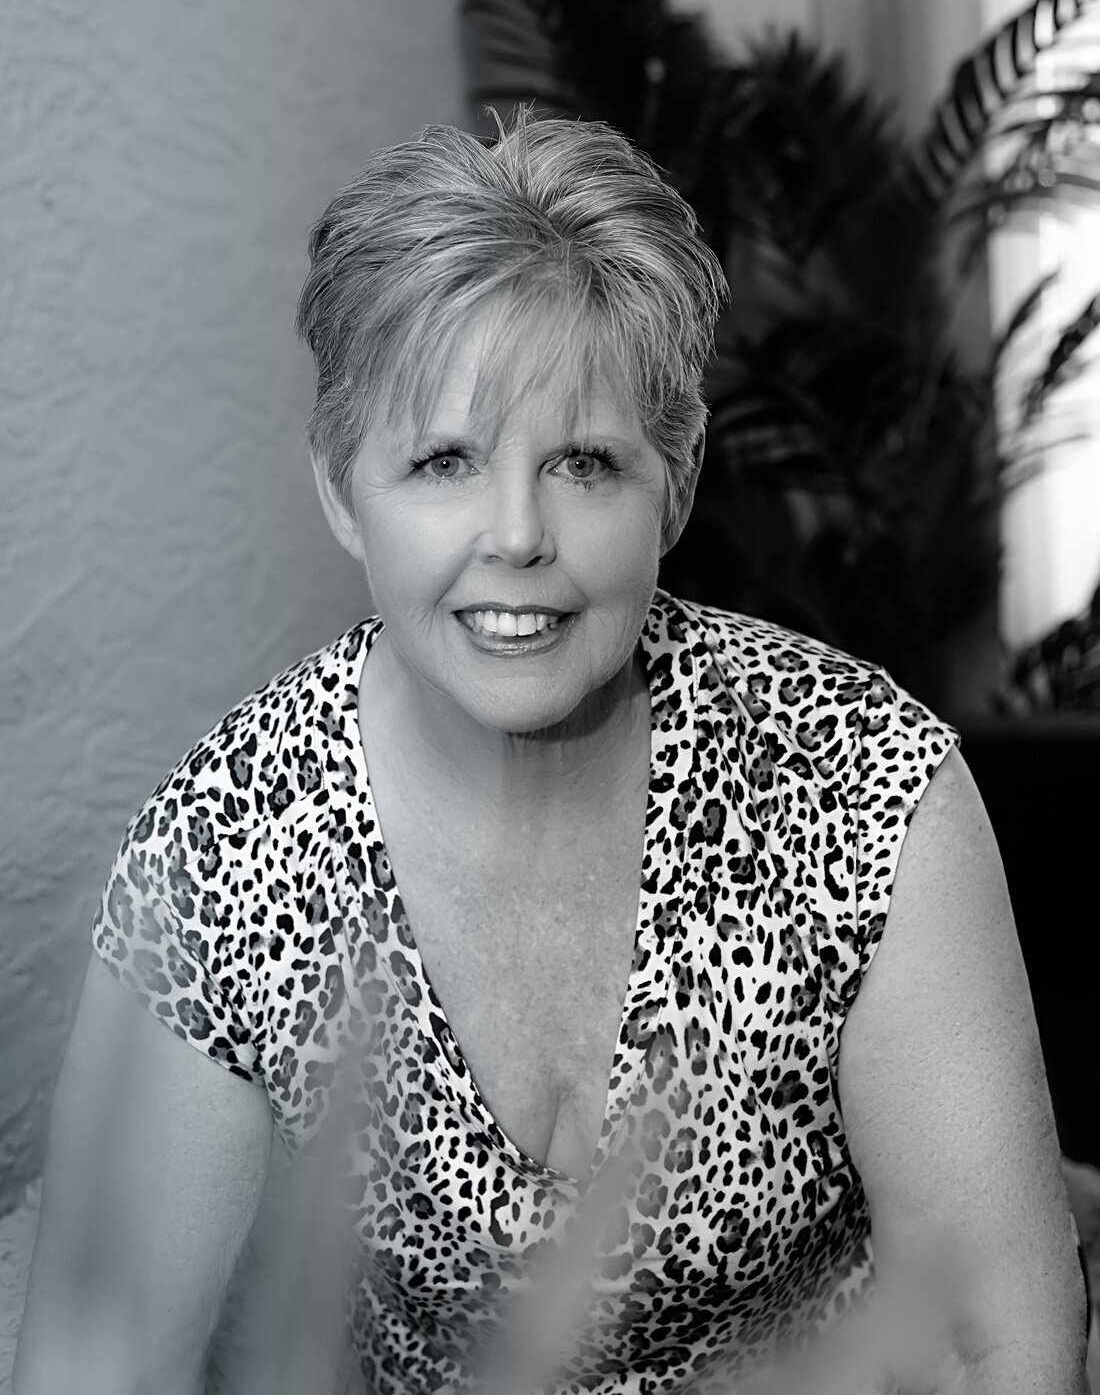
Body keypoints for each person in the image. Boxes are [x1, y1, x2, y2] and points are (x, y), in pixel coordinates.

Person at [14, 107, 1089, 1395]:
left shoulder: (867, 782)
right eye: (444, 460)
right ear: (339, 492)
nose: (516, 534)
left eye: (585, 462)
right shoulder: (221, 856)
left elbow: (995, 1339)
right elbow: (98, 1361)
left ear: (674, 488)